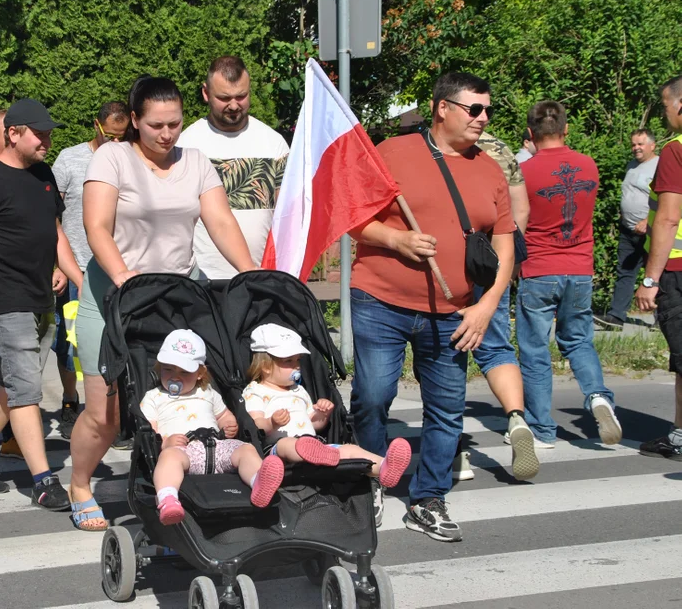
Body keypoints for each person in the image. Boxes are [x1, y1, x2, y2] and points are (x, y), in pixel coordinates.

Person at [68, 76, 257, 532]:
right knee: (106, 413)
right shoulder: (112, 158)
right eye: (156, 125)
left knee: (193, 398)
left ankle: (174, 481)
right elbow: (96, 226)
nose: (167, 134)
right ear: (134, 121)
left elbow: (221, 221)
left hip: (176, 298)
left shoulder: (195, 162)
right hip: (112, 296)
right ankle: (79, 484)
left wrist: (252, 273)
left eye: (175, 123)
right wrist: (122, 277)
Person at [349, 71, 515, 543]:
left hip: (454, 311)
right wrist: (396, 238)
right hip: (380, 298)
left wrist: (485, 306)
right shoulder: (394, 153)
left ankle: (428, 499)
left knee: (446, 409)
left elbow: (504, 247)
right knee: (375, 395)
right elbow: (355, 220)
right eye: (474, 109)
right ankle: (370, 481)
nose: (483, 119)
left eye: (487, 110)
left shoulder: (489, 169)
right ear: (443, 107)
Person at [0, 98, 84, 511]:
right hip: (4, 300)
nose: (47, 140)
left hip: (43, 298)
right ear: (13, 133)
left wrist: (82, 282)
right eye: (39, 133)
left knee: (11, 385)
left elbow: (57, 233)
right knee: (26, 391)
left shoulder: (43, 175)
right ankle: (43, 481)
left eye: (48, 133)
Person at [518, 100, 622, 450]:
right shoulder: (588, 165)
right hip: (579, 267)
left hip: (538, 268)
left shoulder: (526, 172)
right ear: (566, 130)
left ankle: (543, 430)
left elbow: (517, 221)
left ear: (531, 134)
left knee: (534, 350)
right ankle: (598, 397)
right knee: (579, 341)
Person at [457, 132, 538, 482]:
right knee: (497, 346)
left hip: (453, 263)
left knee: (446, 352)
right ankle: (517, 419)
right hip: (493, 261)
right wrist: (507, 259)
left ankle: (454, 450)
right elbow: (520, 209)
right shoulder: (502, 150)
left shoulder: (437, 148)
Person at [145, 329, 285, 526]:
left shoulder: (207, 392)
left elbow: (223, 415)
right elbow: (148, 429)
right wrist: (164, 441)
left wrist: (229, 424)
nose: (175, 377)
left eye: (184, 372)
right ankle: (167, 499)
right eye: (168, 369)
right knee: (169, 459)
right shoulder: (154, 397)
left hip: (218, 447)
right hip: (183, 451)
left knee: (246, 449)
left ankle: (259, 482)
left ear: (200, 373)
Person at [241, 324, 411, 485]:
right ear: (266, 367)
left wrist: (322, 415)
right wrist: (272, 423)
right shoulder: (256, 391)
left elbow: (313, 425)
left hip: (314, 444)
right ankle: (311, 452)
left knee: (349, 450)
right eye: (289, 361)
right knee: (289, 445)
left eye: (298, 360)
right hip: (277, 449)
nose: (297, 366)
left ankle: (383, 466)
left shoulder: (298, 391)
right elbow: (255, 424)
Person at [50, 101, 130, 438]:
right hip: (77, 266)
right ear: (95, 126)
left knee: (118, 342)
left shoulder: (131, 156)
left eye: (121, 136)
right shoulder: (70, 159)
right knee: (72, 344)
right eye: (109, 136)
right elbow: (51, 214)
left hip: (117, 267)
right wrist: (57, 264)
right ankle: (71, 401)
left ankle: (117, 414)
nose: (115, 143)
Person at [178, 56, 289, 279]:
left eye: (241, 96)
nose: (234, 105)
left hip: (260, 276)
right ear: (206, 93)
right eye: (224, 97)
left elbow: (287, 214)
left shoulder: (273, 143)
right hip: (202, 279)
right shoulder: (185, 145)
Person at [634, 74, 682, 462]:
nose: (665, 113)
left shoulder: (676, 151)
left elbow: (666, 220)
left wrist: (650, 279)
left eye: (665, 105)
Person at [599, 129, 659, 330]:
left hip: (651, 229)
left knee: (658, 274)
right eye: (634, 144)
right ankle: (616, 316)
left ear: (653, 145)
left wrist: (647, 220)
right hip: (628, 230)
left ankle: (663, 318)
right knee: (625, 272)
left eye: (641, 144)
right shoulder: (632, 166)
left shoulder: (659, 166)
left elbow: (667, 200)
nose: (636, 148)